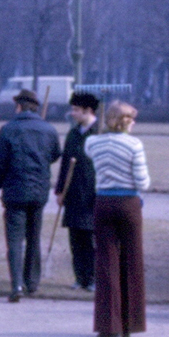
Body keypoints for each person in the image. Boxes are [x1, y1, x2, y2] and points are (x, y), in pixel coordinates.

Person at [84, 101, 151, 337]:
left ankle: (108, 325)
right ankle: (130, 324)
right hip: (128, 204)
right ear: (126, 121)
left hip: (103, 202)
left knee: (106, 262)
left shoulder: (93, 143)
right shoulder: (134, 145)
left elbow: (90, 153)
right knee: (132, 260)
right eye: (132, 119)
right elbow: (143, 182)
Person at [0, 89, 62, 302]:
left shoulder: (8, 129)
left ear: (19, 106)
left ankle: (16, 284)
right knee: (33, 238)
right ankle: (32, 282)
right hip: (39, 191)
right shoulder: (48, 129)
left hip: (14, 191)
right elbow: (56, 154)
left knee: (15, 241)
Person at [55, 91, 101, 290]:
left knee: (91, 239)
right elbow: (65, 163)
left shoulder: (100, 133)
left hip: (92, 195)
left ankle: (92, 279)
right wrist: (59, 191)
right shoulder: (73, 134)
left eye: (76, 110)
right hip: (73, 194)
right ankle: (79, 277)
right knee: (75, 239)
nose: (72, 113)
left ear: (88, 111)